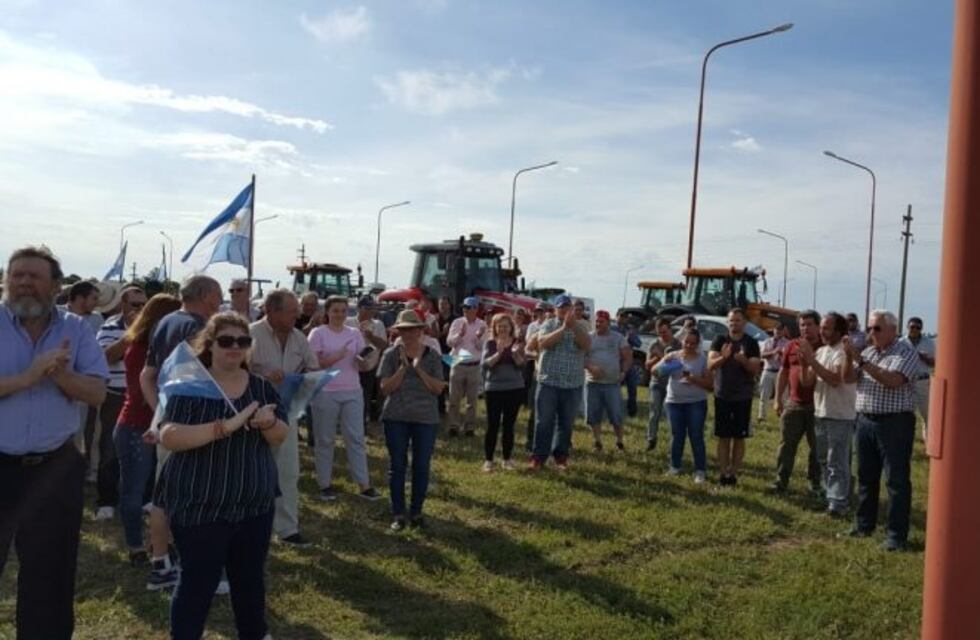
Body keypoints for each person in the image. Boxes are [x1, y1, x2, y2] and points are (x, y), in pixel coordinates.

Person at [155, 312, 287, 639]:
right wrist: (224, 427)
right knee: (198, 583)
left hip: (254, 504)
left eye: (242, 342)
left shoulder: (260, 387)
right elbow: (169, 435)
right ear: (209, 345)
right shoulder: (190, 386)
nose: (234, 348)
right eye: (226, 341)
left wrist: (268, 423)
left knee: (250, 582)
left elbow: (280, 436)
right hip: (200, 504)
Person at [0, 246, 109, 639]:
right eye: (17, 275)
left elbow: (98, 393)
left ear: (56, 286)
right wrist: (28, 377)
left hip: (54, 468)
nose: (24, 282)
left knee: (50, 575)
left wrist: (61, 377)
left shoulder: (75, 330)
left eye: (34, 276)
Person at [140, 274, 222, 591]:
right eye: (218, 295)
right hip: (196, 426)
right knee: (200, 499)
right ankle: (198, 571)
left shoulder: (163, 323)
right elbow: (209, 382)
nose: (220, 301)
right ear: (207, 297)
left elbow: (148, 376)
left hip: (168, 423)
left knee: (163, 496)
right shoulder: (200, 329)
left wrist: (159, 418)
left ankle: (160, 564)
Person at [842, 310, 919, 552]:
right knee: (866, 476)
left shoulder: (905, 352)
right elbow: (847, 379)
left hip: (894, 423)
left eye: (877, 328)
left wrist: (862, 361)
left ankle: (896, 535)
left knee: (895, 480)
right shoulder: (868, 351)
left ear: (892, 330)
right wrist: (848, 357)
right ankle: (864, 524)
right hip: (865, 420)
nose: (871, 333)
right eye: (869, 328)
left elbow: (893, 380)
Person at [113, 293, 182, 565]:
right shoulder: (143, 349)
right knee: (134, 490)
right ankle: (135, 546)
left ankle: (157, 543)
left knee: (157, 492)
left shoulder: (149, 345)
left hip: (151, 425)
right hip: (136, 425)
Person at [250, 289, 320, 546]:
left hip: (287, 412)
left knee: (288, 471)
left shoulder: (299, 337)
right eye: (292, 311)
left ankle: (287, 528)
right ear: (272, 311)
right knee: (255, 472)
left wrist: (305, 378)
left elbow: (313, 367)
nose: (298, 314)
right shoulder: (249, 334)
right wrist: (263, 374)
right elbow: (233, 371)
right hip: (253, 414)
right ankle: (255, 528)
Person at [377, 310, 446, 530]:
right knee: (397, 466)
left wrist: (418, 370)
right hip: (396, 417)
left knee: (421, 466)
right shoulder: (390, 355)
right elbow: (386, 389)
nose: (407, 333)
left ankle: (416, 512)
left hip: (425, 419)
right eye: (403, 329)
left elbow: (438, 389)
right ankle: (398, 513)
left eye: (412, 329)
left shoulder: (433, 356)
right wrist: (402, 369)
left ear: (420, 331)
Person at [308, 296, 382, 501]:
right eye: (335, 310)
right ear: (327, 313)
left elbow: (362, 363)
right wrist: (336, 357)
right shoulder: (318, 333)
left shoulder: (354, 333)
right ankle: (325, 484)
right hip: (325, 392)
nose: (339, 314)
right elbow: (312, 364)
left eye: (343, 310)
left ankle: (364, 485)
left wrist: (365, 360)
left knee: (356, 438)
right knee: (325, 439)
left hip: (352, 391)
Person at [91, 285, 147, 522]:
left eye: (144, 305)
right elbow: (105, 357)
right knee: (110, 449)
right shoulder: (110, 326)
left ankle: (143, 499)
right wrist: (131, 335)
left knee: (145, 450)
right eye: (135, 304)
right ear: (123, 305)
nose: (141, 309)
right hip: (116, 395)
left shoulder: (152, 329)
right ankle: (106, 500)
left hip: (144, 396)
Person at [798, 312, 857, 517]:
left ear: (839, 332)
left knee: (837, 460)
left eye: (826, 328)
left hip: (840, 415)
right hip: (821, 411)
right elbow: (806, 382)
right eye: (821, 327)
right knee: (823, 459)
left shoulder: (844, 352)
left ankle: (839, 503)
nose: (821, 332)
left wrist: (811, 360)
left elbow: (835, 379)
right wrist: (805, 363)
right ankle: (830, 496)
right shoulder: (822, 351)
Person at [527, 294, 591, 471]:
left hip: (572, 384)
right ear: (555, 310)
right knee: (544, 421)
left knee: (566, 422)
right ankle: (539, 457)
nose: (564, 310)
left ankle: (560, 456)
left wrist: (573, 328)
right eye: (560, 307)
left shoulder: (582, 326)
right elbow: (543, 344)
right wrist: (563, 328)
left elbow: (586, 345)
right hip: (549, 382)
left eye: (566, 307)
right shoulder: (548, 324)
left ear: (571, 309)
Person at [770, 310, 822, 494]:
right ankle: (780, 480)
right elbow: (783, 373)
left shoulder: (824, 347)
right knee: (786, 444)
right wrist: (777, 399)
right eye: (802, 325)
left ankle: (814, 482)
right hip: (794, 403)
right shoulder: (791, 346)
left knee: (817, 447)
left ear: (818, 326)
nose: (805, 328)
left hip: (818, 407)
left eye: (809, 324)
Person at [707, 308, 761, 486]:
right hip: (722, 395)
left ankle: (733, 474)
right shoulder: (719, 340)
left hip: (742, 397)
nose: (734, 324)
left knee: (739, 437)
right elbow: (710, 365)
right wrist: (724, 357)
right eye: (731, 321)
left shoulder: (751, 343)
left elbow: (755, 369)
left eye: (737, 321)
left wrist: (743, 360)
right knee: (723, 437)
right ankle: (723, 474)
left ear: (744, 323)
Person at [662, 328, 713, 482]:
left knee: (696, 436)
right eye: (687, 342)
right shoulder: (673, 356)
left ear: (698, 344)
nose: (689, 345)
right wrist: (666, 366)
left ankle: (700, 470)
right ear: (682, 341)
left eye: (693, 343)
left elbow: (710, 385)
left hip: (695, 402)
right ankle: (675, 466)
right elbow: (654, 372)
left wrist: (693, 379)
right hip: (674, 402)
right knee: (677, 435)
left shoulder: (703, 359)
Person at [481, 313, 526, 471]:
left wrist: (514, 354)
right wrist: (499, 353)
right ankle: (488, 460)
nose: (503, 329)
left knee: (509, 425)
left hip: (514, 388)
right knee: (492, 425)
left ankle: (507, 459)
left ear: (511, 328)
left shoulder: (517, 343)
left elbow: (522, 366)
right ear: (495, 328)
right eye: (499, 326)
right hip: (494, 389)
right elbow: (485, 364)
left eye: (506, 326)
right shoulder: (490, 343)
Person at [585, 310, 631, 452]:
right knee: (593, 415)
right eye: (597, 321)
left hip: (612, 383)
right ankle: (597, 442)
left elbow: (628, 356)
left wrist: (623, 372)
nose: (598, 324)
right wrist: (591, 367)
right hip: (592, 383)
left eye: (602, 321)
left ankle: (619, 442)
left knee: (616, 415)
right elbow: (581, 357)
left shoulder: (618, 338)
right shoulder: (588, 337)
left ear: (608, 322)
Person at [446, 296, 488, 437]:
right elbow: (449, 343)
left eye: (468, 307)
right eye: (464, 307)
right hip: (457, 362)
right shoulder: (457, 322)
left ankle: (469, 428)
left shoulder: (482, 325)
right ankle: (454, 426)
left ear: (476, 309)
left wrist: (478, 337)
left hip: (474, 365)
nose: (465, 310)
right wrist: (460, 334)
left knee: (472, 400)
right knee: (454, 398)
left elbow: (482, 347)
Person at [346, 295, 389, 428]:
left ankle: (362, 425)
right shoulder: (348, 322)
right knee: (347, 396)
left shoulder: (378, 324)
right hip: (349, 366)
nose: (371, 311)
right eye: (367, 308)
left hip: (369, 367)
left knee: (365, 396)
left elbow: (383, 345)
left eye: (373, 308)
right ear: (359, 308)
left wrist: (371, 337)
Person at [644, 317, 681, 452]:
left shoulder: (678, 345)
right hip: (656, 383)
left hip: (672, 385)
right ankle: (651, 439)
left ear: (670, 330)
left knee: (671, 414)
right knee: (654, 412)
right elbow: (647, 365)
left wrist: (660, 357)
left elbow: (678, 365)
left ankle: (674, 442)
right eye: (659, 333)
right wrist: (658, 358)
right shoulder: (653, 344)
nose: (662, 335)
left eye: (664, 332)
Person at [900, 317, 935, 440]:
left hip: (923, 382)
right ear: (907, 327)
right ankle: (906, 440)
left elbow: (936, 363)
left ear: (921, 329)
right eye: (912, 327)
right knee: (906, 415)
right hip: (906, 382)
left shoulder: (930, 343)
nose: (914, 329)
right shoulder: (900, 343)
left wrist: (924, 358)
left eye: (917, 327)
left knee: (928, 415)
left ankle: (929, 443)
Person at [522, 302, 549, 452]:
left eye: (542, 311)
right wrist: (538, 355)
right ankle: (531, 441)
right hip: (538, 372)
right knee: (535, 409)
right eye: (538, 311)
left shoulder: (556, 328)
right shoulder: (534, 327)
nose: (540, 313)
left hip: (553, 376)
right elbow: (528, 348)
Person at [758, 322, 789, 422]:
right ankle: (762, 416)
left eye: (781, 329)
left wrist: (781, 355)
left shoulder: (787, 343)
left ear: (783, 331)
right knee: (764, 395)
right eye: (777, 329)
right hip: (768, 370)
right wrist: (773, 352)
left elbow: (788, 358)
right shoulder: (767, 341)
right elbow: (761, 355)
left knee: (783, 396)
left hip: (781, 372)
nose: (778, 331)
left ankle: (782, 416)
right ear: (774, 330)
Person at [613, 311, 642, 417]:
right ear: (616, 317)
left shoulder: (630, 329)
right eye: (621, 316)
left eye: (625, 317)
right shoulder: (612, 329)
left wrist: (632, 337)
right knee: (615, 388)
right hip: (616, 363)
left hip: (629, 363)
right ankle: (614, 409)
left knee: (632, 387)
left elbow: (639, 344)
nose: (623, 319)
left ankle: (632, 411)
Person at [434, 296, 457, 415]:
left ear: (449, 305)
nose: (442, 306)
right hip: (439, 353)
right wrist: (443, 332)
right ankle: (441, 408)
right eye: (440, 304)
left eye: (445, 304)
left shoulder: (456, 319)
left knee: (452, 381)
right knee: (440, 379)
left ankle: (453, 407)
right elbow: (433, 337)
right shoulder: (435, 319)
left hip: (453, 353)